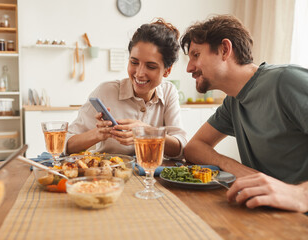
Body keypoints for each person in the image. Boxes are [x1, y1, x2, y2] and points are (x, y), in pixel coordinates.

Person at [180, 15, 308, 212]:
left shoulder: (286, 81)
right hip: (268, 215)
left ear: (224, 49)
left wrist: (300, 195)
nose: (189, 68)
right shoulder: (233, 101)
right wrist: (236, 168)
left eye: (196, 55)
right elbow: (194, 148)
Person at [66, 18, 188, 159]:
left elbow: (181, 148)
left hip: (152, 175)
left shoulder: (168, 92)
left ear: (167, 71)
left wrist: (147, 132)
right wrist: (97, 134)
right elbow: (66, 145)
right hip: (110, 176)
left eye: (151, 66)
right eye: (134, 62)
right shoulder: (105, 92)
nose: (139, 73)